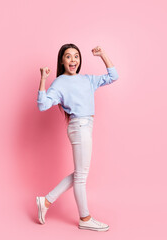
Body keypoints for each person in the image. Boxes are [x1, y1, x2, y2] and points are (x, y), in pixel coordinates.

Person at [36, 43, 119, 231]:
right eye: (68, 56)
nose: (73, 60)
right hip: (79, 126)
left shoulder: (87, 79)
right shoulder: (60, 83)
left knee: (80, 174)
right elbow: (42, 105)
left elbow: (113, 76)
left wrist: (103, 54)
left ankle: (46, 201)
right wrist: (43, 78)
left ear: (79, 60)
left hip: (86, 127)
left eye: (76, 56)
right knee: (81, 176)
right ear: (62, 61)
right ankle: (85, 218)